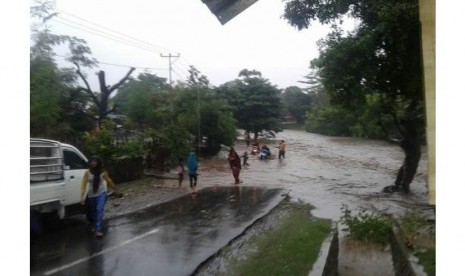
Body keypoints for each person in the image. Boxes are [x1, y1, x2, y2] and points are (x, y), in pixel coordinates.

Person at [80, 156, 120, 238]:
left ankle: (98, 230)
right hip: (91, 194)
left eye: (95, 161)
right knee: (93, 212)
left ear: (98, 162)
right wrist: (82, 196)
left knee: (99, 209)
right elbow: (83, 184)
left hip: (101, 193)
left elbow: (109, 181)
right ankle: (95, 226)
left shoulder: (103, 172)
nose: (93, 163)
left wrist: (115, 190)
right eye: (91, 161)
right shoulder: (87, 172)